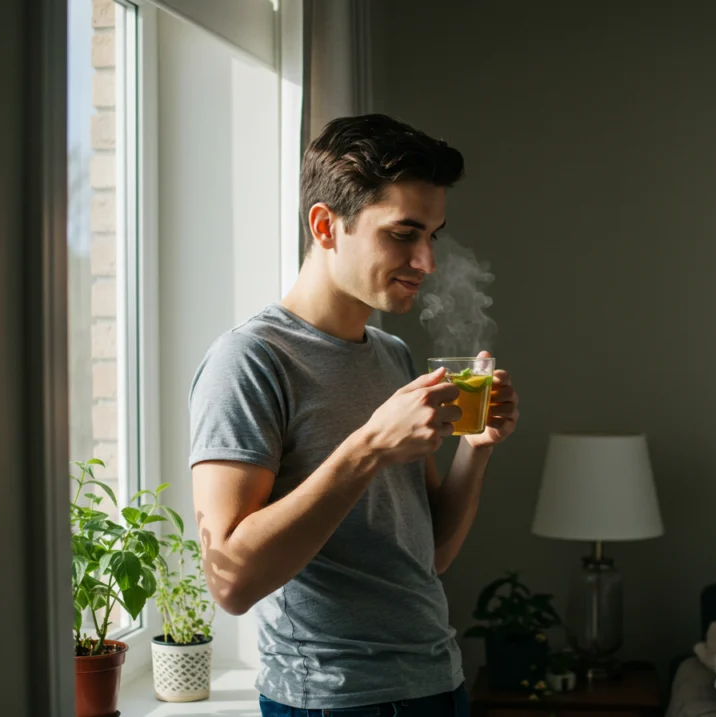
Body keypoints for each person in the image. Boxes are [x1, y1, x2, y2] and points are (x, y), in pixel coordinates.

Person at [188, 114, 521, 716]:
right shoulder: (250, 361)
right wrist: (368, 447)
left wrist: (479, 446)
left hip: (438, 685)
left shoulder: (391, 355)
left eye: (434, 236)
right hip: (332, 704)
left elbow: (430, 558)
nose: (427, 261)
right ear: (325, 226)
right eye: (403, 233)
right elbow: (230, 581)